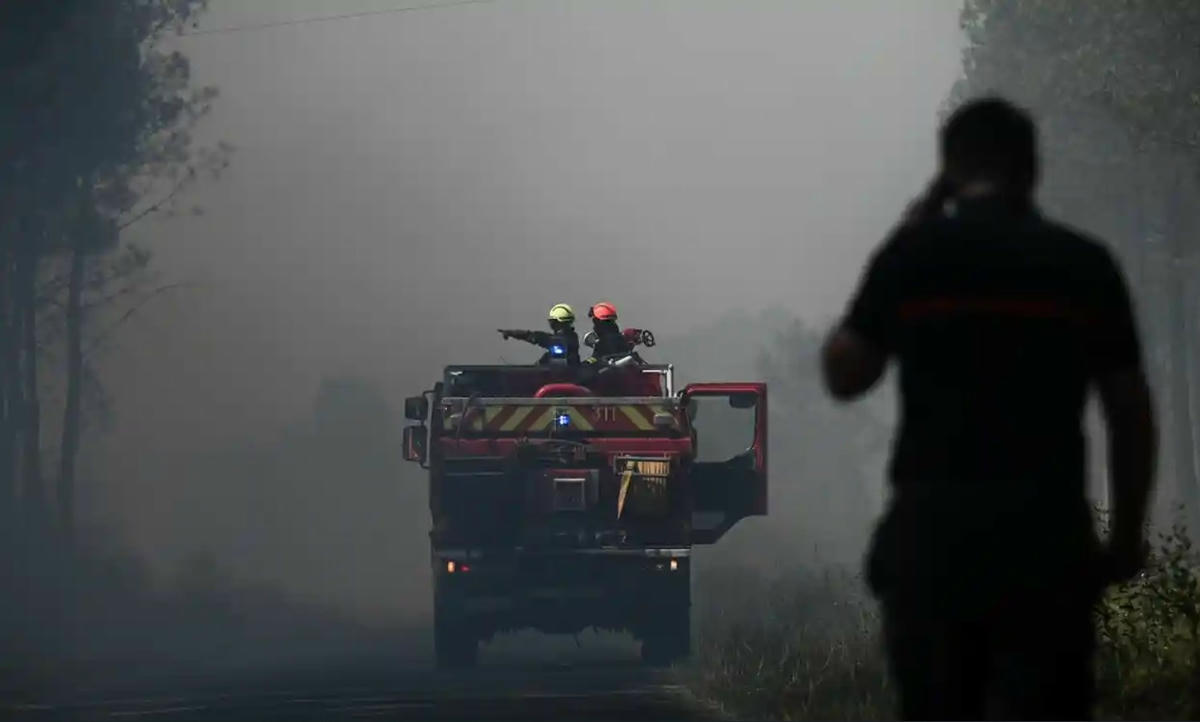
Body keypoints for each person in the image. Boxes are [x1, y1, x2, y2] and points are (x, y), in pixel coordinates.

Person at [820, 96, 1157, 720]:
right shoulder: (1082, 264)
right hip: (1044, 542)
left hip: (933, 541)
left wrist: (913, 222)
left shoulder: (914, 258)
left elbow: (844, 373)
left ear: (949, 170)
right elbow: (1129, 411)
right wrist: (1126, 538)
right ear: (1032, 169)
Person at [498, 303, 581, 366]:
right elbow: (536, 337)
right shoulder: (572, 337)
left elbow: (536, 337)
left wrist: (512, 333)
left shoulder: (562, 341)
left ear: (556, 323)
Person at [582, 301, 634, 365]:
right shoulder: (618, 337)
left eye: (594, 320)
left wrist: (584, 364)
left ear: (597, 321)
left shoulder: (603, 341)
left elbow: (596, 358)